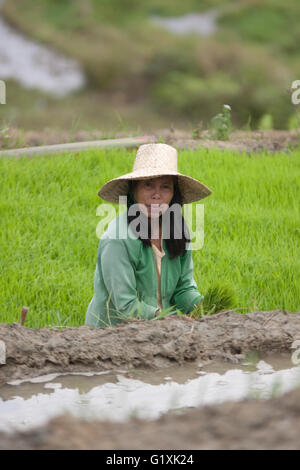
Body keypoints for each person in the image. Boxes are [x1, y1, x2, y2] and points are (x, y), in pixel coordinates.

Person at [85, 143, 212, 328]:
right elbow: (125, 307)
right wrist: (165, 319)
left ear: (173, 194)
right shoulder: (117, 239)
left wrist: (204, 307)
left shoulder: (177, 232)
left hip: (157, 330)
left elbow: (183, 289)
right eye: (148, 185)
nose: (157, 195)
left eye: (165, 187)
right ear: (133, 191)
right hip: (111, 334)